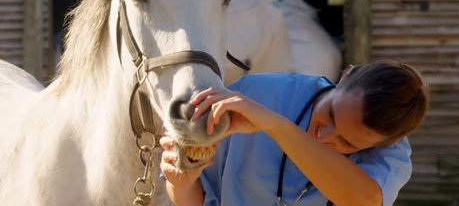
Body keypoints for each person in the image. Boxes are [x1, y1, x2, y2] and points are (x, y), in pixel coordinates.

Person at [160, 60, 429, 206]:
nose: (324, 136)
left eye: (346, 142)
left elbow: (363, 201)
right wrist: (181, 183)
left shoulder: (391, 153)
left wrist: (276, 126)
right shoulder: (253, 94)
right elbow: (197, 200)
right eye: (331, 114)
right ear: (345, 75)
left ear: (385, 144)